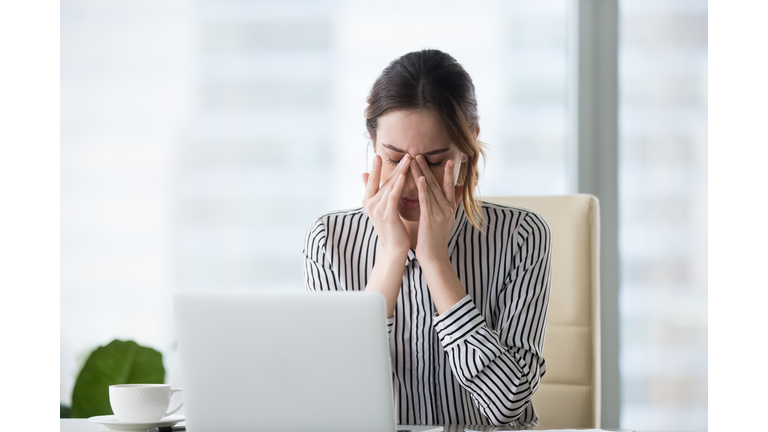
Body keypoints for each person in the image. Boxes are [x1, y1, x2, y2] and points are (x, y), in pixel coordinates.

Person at [302, 49, 552, 427]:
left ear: (467, 149)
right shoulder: (330, 240)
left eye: (433, 162)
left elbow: (508, 407)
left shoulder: (521, 237)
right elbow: (334, 398)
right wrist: (391, 254)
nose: (410, 180)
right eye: (393, 158)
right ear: (373, 145)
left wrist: (436, 262)